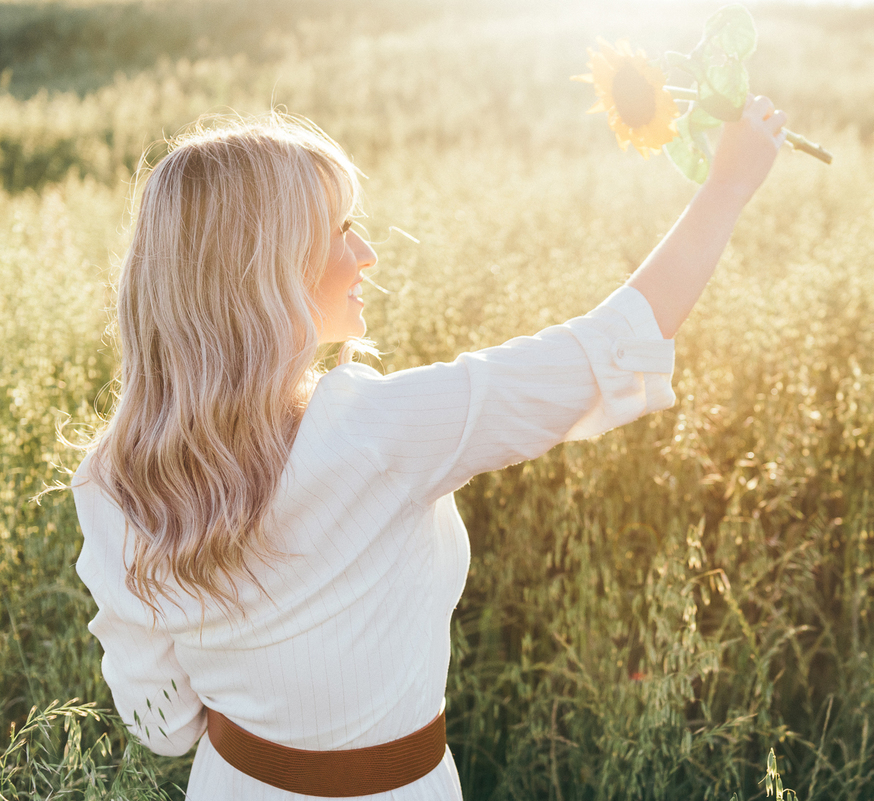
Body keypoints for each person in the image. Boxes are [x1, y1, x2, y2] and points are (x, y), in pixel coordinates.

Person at [71, 95, 788, 799]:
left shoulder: (109, 479)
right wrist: (727, 187)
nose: (367, 252)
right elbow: (609, 346)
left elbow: (160, 723)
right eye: (339, 228)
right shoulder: (379, 428)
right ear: (264, 268)